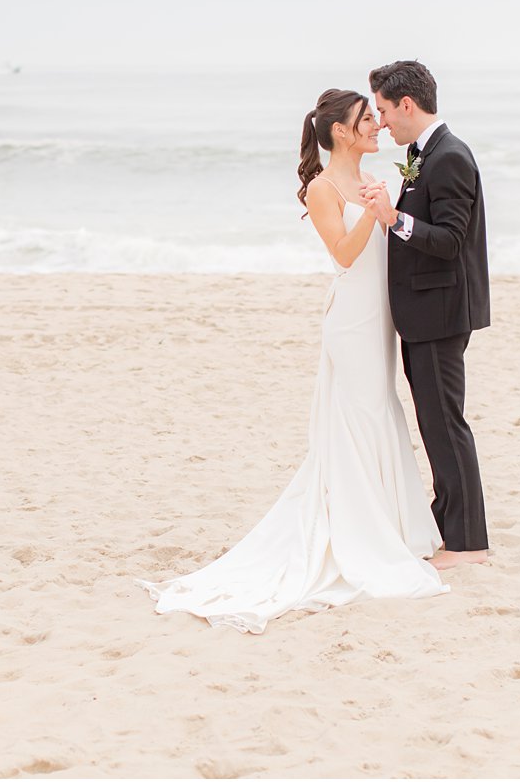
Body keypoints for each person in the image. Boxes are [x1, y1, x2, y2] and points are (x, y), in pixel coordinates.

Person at [135, 88, 447, 633]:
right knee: (359, 417)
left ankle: (392, 528)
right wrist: (375, 213)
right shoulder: (324, 188)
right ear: (341, 133)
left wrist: (387, 208)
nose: (377, 124)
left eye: (376, 116)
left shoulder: (382, 178)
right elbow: (345, 257)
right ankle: (361, 534)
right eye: (366, 118)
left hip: (383, 317)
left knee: (380, 413)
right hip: (352, 321)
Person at [360, 60, 492, 568]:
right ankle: (447, 523)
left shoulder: (449, 157)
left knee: (445, 424)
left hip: (440, 313)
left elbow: (452, 241)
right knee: (434, 422)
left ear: (407, 105)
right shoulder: (424, 155)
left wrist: (395, 220)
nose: (383, 121)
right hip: (424, 312)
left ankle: (468, 544)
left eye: (386, 110)